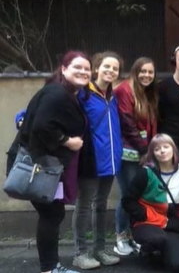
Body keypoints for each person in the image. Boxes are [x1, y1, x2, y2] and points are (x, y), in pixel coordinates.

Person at [18, 51, 91, 273]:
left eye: (87, 69)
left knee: (53, 214)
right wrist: (68, 141)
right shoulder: (57, 93)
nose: (83, 72)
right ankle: (50, 268)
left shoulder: (62, 93)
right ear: (64, 69)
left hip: (48, 166)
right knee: (52, 214)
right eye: (77, 67)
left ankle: (51, 266)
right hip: (41, 166)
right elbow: (41, 126)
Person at [73, 52, 124, 269]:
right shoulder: (82, 94)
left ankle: (99, 250)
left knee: (101, 206)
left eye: (115, 68)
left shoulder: (113, 96)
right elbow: (52, 108)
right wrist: (22, 118)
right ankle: (80, 253)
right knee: (84, 206)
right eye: (107, 66)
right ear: (96, 68)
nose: (111, 71)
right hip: (90, 160)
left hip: (110, 161)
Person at [122, 134, 179, 273]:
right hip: (146, 222)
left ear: (174, 149)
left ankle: (166, 250)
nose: (162, 151)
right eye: (157, 149)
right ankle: (146, 250)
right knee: (158, 238)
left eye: (166, 147)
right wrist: (143, 214)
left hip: (170, 223)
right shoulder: (145, 173)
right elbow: (127, 201)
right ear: (152, 153)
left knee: (177, 265)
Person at [113, 57, 158, 255]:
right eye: (143, 71)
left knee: (136, 195)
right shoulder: (125, 90)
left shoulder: (147, 93)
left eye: (150, 72)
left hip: (142, 152)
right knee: (127, 195)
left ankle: (132, 236)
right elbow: (127, 123)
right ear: (135, 71)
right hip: (128, 153)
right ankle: (121, 236)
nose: (147, 75)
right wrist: (144, 150)